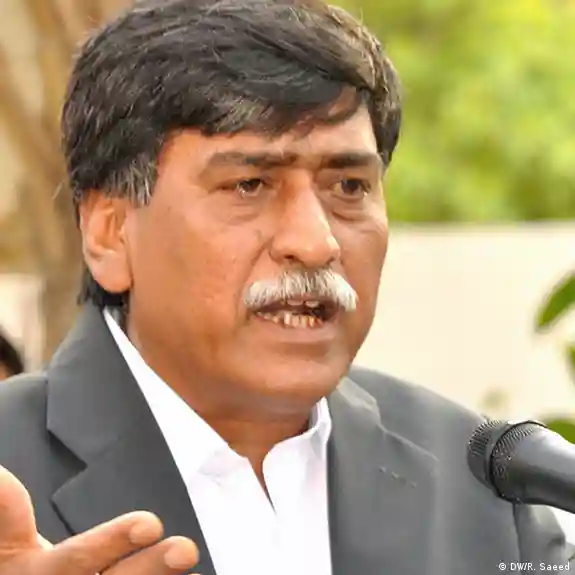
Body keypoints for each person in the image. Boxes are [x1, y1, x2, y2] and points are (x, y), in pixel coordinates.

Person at [0, 0, 571, 574]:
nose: (316, 242)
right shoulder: (11, 468)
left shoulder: (483, 489)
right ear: (110, 232)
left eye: (349, 186)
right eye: (249, 185)